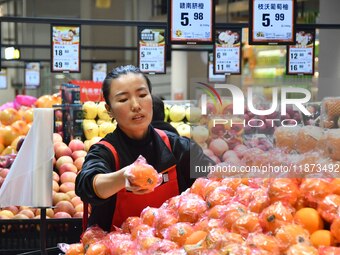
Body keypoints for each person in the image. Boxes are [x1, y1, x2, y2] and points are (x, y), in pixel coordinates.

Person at [75, 65, 214, 232]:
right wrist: (123, 177)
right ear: (109, 110)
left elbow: (213, 182)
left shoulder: (179, 147)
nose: (135, 105)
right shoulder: (105, 151)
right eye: (123, 99)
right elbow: (87, 185)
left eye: (142, 95)